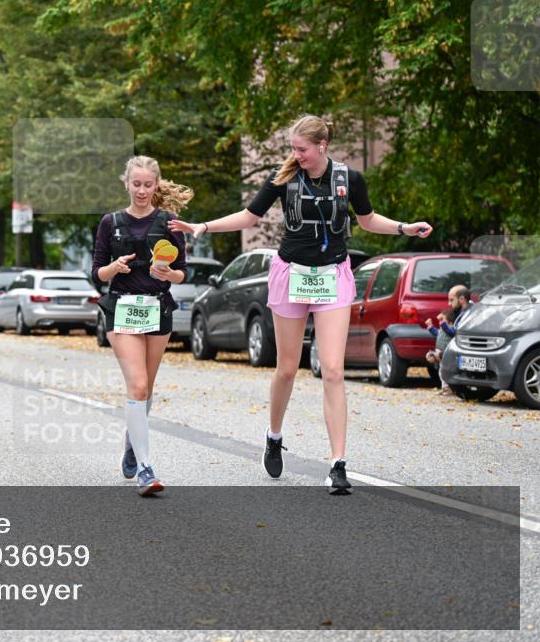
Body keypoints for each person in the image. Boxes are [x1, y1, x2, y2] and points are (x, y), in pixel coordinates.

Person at [169, 115, 433, 494]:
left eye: (302, 149)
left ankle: (338, 464)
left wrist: (405, 228)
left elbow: (368, 219)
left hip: (333, 276)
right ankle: (274, 434)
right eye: (293, 148)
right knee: (287, 369)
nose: (296, 155)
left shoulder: (349, 179)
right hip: (291, 274)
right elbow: (250, 216)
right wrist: (203, 227)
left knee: (334, 371)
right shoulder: (284, 177)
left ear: (322, 146)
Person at [92, 155, 192, 496]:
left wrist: (169, 274)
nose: (142, 191)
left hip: (157, 309)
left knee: (145, 387)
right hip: (121, 309)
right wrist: (114, 268)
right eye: (136, 184)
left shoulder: (169, 223)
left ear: (157, 184)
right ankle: (146, 470)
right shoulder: (111, 222)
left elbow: (183, 272)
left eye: (148, 185)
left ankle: (133, 443)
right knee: (136, 384)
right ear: (126, 183)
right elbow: (97, 274)